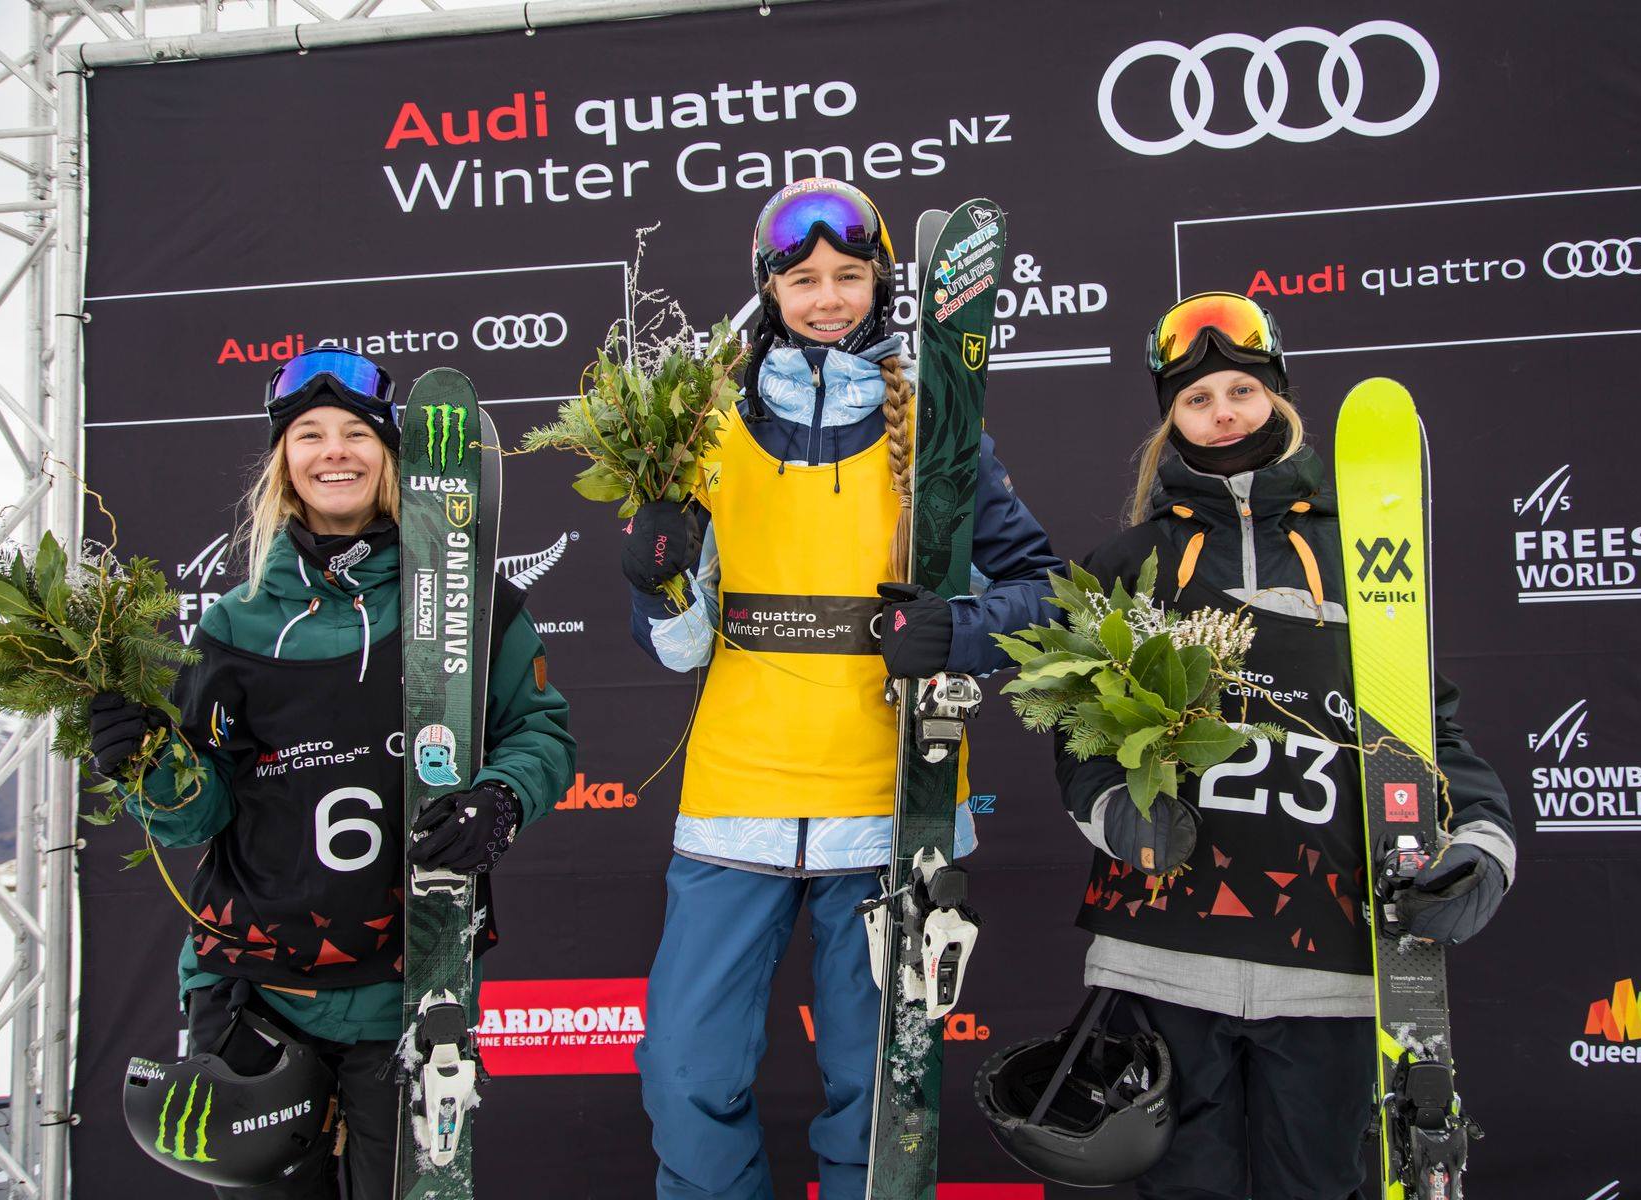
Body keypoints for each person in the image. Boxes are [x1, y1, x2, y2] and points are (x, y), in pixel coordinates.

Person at [621, 177, 1061, 1200]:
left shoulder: (943, 434)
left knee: (878, 1094)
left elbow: (1045, 596)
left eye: (850, 276)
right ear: (769, 291)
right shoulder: (703, 432)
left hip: (888, 810)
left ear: (881, 286)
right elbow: (682, 650)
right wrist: (654, 580)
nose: (827, 298)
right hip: (736, 804)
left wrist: (958, 630)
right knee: (684, 1074)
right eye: (804, 279)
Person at [1053, 292, 1515, 1200]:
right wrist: (1117, 813)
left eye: (1241, 390)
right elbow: (1079, 738)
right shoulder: (1127, 565)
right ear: (1170, 420)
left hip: (1327, 964)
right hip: (1163, 959)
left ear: (1277, 396)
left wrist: (1481, 848)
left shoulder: (1361, 556)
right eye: (1196, 399)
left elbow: (1427, 731)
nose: (1222, 412)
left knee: (1318, 1185)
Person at [92, 347, 575, 1199]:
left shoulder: (467, 602)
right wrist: (147, 762)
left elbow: (540, 734)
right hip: (255, 986)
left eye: (356, 432)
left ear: (390, 455)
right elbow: (197, 815)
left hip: (409, 986)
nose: (334, 452)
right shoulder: (237, 625)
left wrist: (498, 801)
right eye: (308, 434)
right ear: (283, 461)